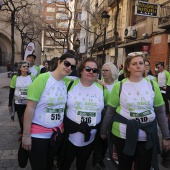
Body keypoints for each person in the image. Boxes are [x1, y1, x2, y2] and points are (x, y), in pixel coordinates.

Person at [100, 52, 170, 170]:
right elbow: (111, 111)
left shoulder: (152, 85)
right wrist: (103, 130)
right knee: (124, 166)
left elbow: (160, 111)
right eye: (134, 64)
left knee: (144, 166)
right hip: (122, 135)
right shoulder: (120, 85)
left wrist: (166, 136)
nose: (138, 66)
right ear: (128, 67)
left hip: (147, 136)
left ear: (144, 66)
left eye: (141, 63)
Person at [22, 53, 77, 170]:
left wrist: (99, 81)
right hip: (38, 134)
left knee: (49, 165)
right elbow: (30, 108)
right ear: (59, 62)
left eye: (72, 67)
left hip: (56, 135)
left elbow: (85, 79)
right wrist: (26, 135)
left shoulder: (67, 81)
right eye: (66, 64)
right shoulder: (43, 79)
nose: (69, 68)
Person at [60, 58, 109, 170]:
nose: (91, 72)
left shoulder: (102, 88)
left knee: (82, 163)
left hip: (90, 135)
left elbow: (110, 108)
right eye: (88, 69)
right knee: (65, 162)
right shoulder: (69, 83)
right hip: (70, 134)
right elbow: (55, 77)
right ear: (81, 70)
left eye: (94, 70)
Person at [92, 62, 119, 168]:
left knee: (112, 139)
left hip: (116, 116)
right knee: (101, 139)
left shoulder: (119, 84)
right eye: (102, 70)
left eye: (106, 70)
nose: (103, 72)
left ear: (112, 72)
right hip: (102, 116)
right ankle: (98, 159)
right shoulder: (98, 84)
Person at [8, 61, 35, 141]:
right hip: (18, 102)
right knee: (21, 118)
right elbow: (11, 91)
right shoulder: (15, 77)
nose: (26, 67)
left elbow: (35, 89)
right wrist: (10, 104)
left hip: (29, 103)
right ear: (20, 68)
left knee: (29, 118)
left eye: (27, 66)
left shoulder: (32, 77)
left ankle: (29, 132)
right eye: (24, 66)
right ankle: (23, 133)